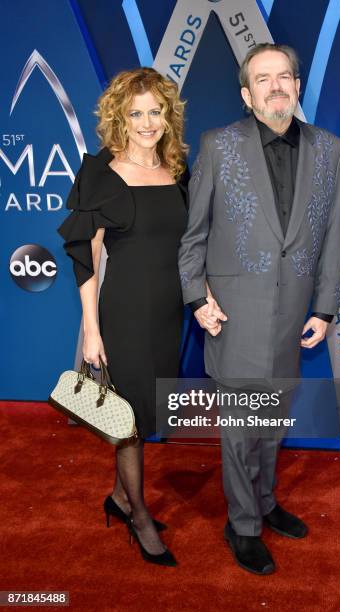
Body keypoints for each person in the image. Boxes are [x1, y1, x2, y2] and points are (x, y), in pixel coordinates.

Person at [178, 43, 340, 575]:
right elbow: (193, 237)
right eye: (263, 79)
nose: (276, 86)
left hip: (294, 316)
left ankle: (266, 504)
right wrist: (196, 296)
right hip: (233, 314)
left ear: (298, 86)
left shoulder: (330, 149)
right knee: (240, 431)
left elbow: (331, 235)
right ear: (248, 95)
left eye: (284, 77)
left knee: (271, 425)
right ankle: (243, 524)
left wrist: (323, 308)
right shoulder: (218, 145)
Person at [58, 67, 189, 567]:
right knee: (128, 420)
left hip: (167, 315)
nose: (148, 122)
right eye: (136, 113)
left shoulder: (178, 173)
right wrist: (91, 329)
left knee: (144, 411)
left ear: (167, 115)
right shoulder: (102, 176)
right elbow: (84, 256)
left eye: (156, 111)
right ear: (119, 117)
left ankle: (117, 496)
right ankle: (138, 516)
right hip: (126, 312)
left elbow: (190, 246)